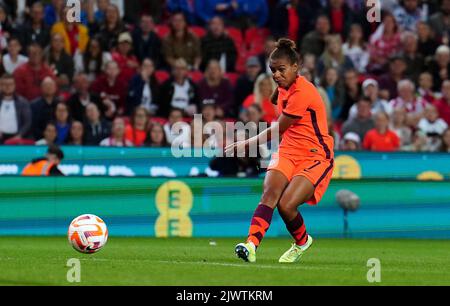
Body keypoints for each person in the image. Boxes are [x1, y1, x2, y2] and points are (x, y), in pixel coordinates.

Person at [225, 38, 334, 263]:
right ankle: (251, 245)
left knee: (286, 205)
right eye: (273, 70)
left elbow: (278, 129)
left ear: (296, 67)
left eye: (281, 70)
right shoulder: (284, 86)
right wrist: (276, 93)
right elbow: (277, 97)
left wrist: (244, 143)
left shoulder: (303, 92)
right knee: (270, 194)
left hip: (315, 155)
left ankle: (302, 242)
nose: (276, 75)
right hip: (288, 151)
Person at [0, 74, 31, 143]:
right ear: (0, 86)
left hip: (16, 138)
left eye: (10, 84)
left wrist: (20, 135)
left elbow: (27, 122)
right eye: (5, 84)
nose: (8, 87)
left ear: (14, 85)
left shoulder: (23, 102)